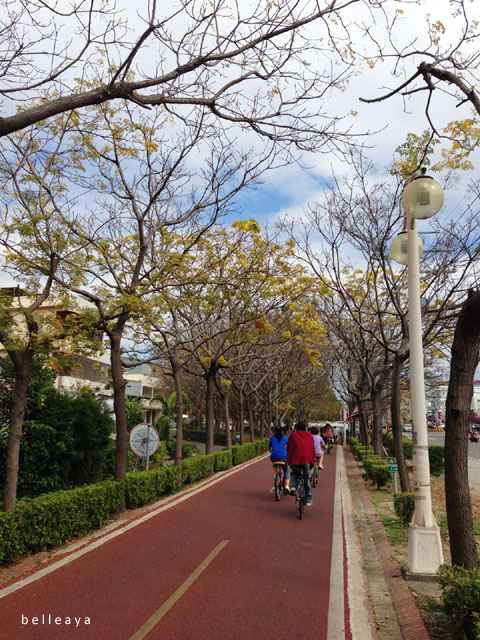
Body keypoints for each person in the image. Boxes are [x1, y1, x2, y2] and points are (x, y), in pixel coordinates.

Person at [287, 420, 315, 506]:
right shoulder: (310, 436)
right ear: (305, 428)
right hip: (307, 460)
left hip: (295, 459)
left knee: (294, 473)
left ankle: (293, 486)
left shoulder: (293, 435)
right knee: (306, 480)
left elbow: (289, 448)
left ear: (297, 428)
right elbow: (311, 449)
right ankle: (309, 500)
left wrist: (289, 460)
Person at [268, 426, 291, 492]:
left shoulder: (272, 438)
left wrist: (272, 452)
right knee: (286, 471)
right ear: (282, 431)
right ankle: (286, 486)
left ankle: (276, 481)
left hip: (274, 457)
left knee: (275, 471)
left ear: (274, 431)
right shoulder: (284, 438)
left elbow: (269, 448)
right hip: (283, 457)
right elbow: (289, 445)